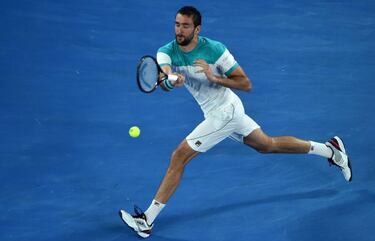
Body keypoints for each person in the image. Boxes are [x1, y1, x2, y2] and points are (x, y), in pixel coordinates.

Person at [119, 6, 352, 238]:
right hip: (217, 114)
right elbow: (165, 77)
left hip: (226, 112)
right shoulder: (166, 51)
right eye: (177, 24)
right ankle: (330, 150)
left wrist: (213, 77)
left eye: (185, 26)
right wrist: (172, 81)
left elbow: (245, 84)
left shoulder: (216, 50)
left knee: (179, 156)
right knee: (267, 145)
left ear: (197, 29)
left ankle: (146, 220)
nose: (179, 30)